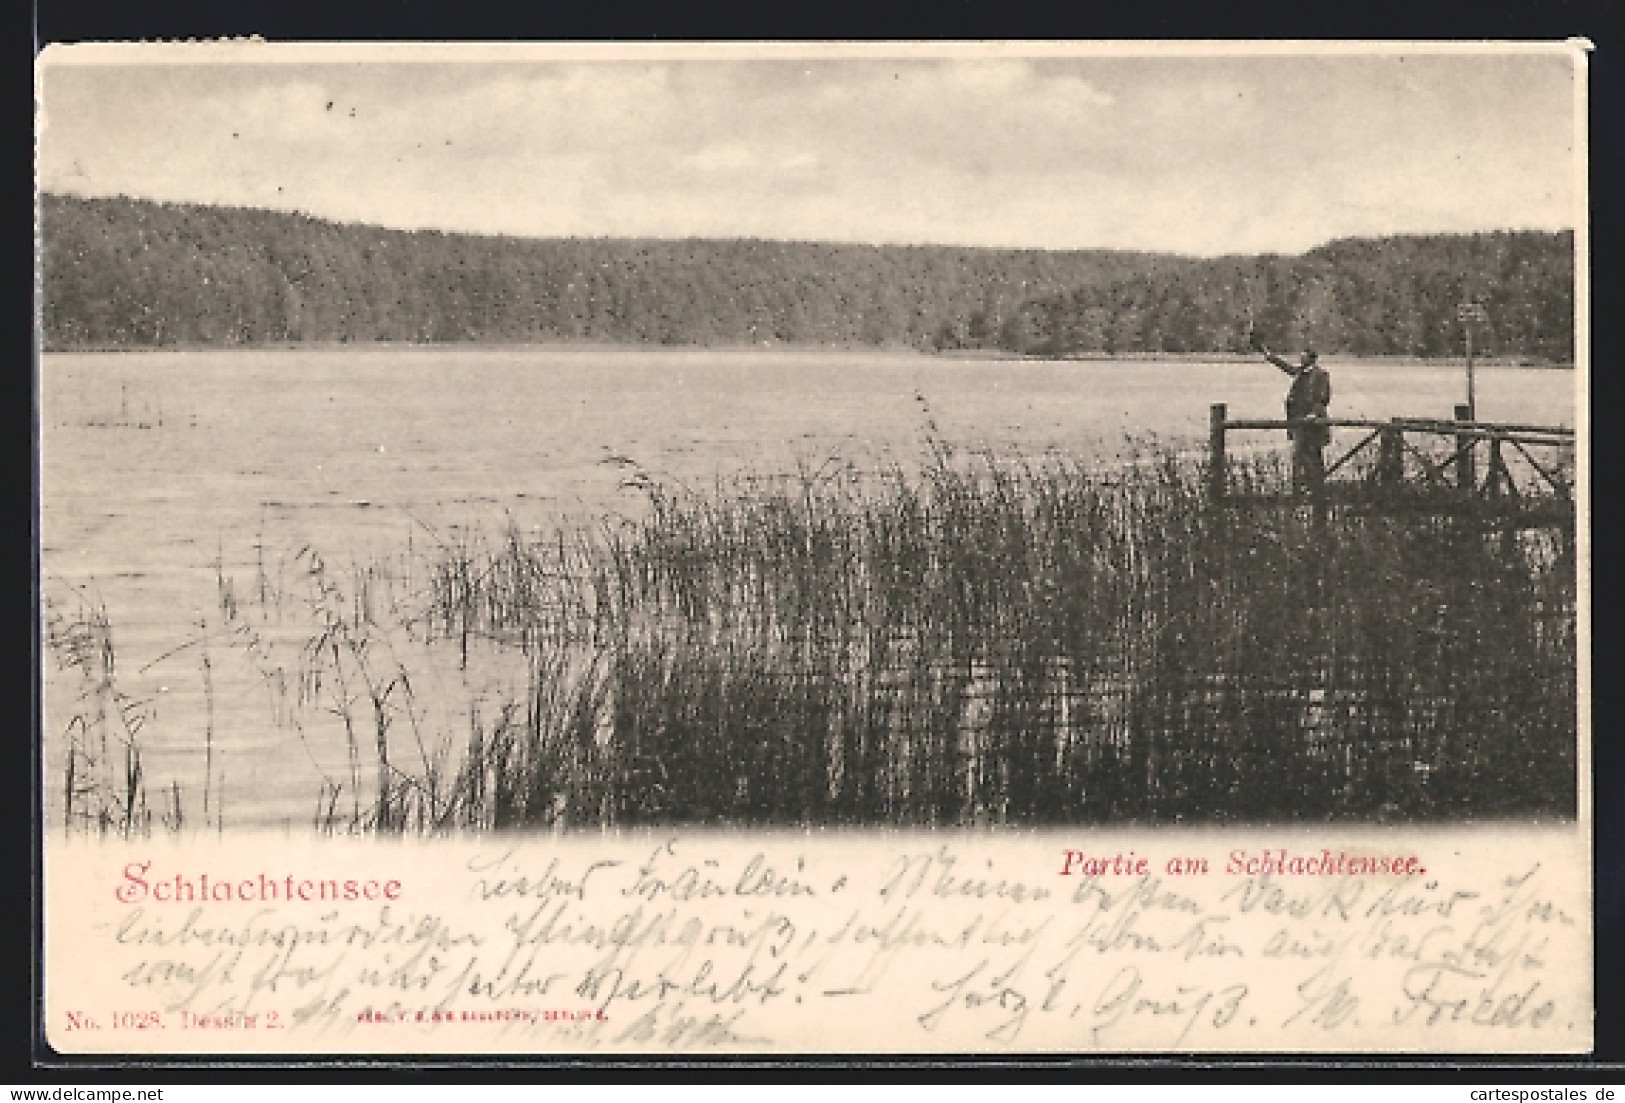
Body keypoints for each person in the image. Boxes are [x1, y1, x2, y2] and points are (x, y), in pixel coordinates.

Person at [1261, 345, 1332, 494]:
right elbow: (1286, 367)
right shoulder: (1302, 372)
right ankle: (1305, 487)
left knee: (1310, 454)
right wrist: (1270, 356)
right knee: (1302, 454)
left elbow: (1324, 397)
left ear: (1311, 359)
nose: (1301, 359)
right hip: (1299, 421)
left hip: (1312, 423)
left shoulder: (1320, 375)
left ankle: (1311, 487)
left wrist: (1315, 413)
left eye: (1304, 357)